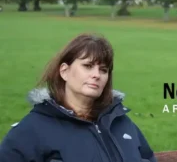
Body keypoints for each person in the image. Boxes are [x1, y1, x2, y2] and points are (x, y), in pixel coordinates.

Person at [0, 33, 157, 162]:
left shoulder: (120, 122)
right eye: (87, 66)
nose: (96, 75)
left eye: (103, 70)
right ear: (64, 71)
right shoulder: (32, 129)